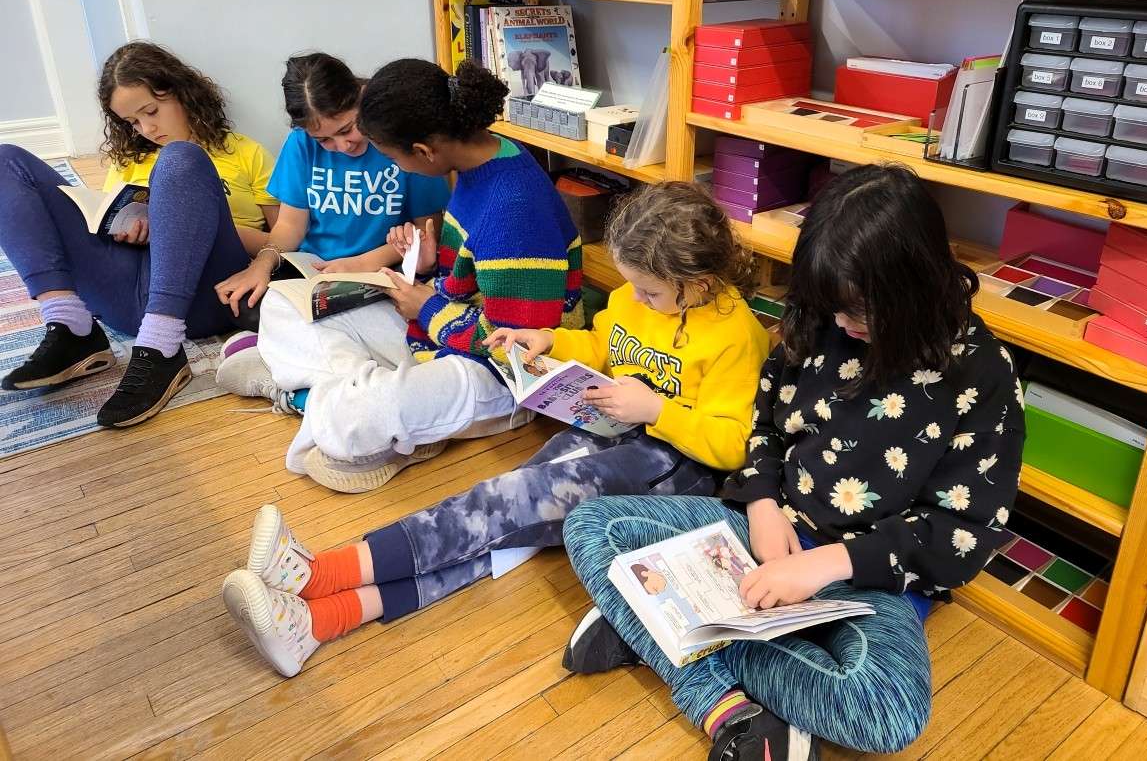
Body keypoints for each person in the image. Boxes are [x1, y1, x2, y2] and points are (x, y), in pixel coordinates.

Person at [560, 165, 1025, 761]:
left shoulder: (981, 375)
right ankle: (721, 705)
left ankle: (660, 624)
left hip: (869, 578)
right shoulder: (821, 321)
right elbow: (766, 423)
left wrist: (826, 563)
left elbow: (965, 531)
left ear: (913, 287)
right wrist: (761, 503)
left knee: (887, 713)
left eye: (858, 311)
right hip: (767, 534)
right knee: (590, 525)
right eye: (831, 307)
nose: (841, 325)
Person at [218, 180, 770, 678]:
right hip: (611, 422)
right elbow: (606, 344)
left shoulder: (735, 336)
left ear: (697, 282)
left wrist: (656, 411)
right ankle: (321, 620)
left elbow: (732, 446)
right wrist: (553, 341)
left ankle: (322, 576)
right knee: (508, 521)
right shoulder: (636, 295)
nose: (638, 300)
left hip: (674, 463)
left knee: (509, 503)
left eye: (650, 293)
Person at [241, 59, 584, 491]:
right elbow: (467, 273)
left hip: (508, 376)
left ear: (423, 151)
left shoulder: (513, 208)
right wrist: (424, 266)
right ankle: (355, 400)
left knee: (360, 412)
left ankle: (317, 393)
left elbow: (516, 343)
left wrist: (427, 305)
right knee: (282, 302)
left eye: (391, 157)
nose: (397, 168)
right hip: (445, 329)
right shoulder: (484, 160)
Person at [0, 41, 277, 428]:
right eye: (132, 122)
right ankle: (71, 325)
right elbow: (105, 218)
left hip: (204, 295)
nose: (147, 129)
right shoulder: (130, 159)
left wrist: (187, 224)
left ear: (182, 91)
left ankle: (162, 348)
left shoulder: (245, 153)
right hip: (127, 297)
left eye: (151, 111)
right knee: (6, 161)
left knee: (180, 158)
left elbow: (280, 239)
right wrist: (125, 227)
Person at [212, 52, 450, 410]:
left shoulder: (397, 136)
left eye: (347, 129)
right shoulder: (300, 144)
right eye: (324, 140)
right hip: (317, 273)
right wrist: (261, 265)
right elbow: (289, 226)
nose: (342, 146)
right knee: (258, 303)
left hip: (384, 275)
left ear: (361, 97)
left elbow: (427, 233)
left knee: (386, 330)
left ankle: (297, 381)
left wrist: (363, 263)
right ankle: (342, 385)